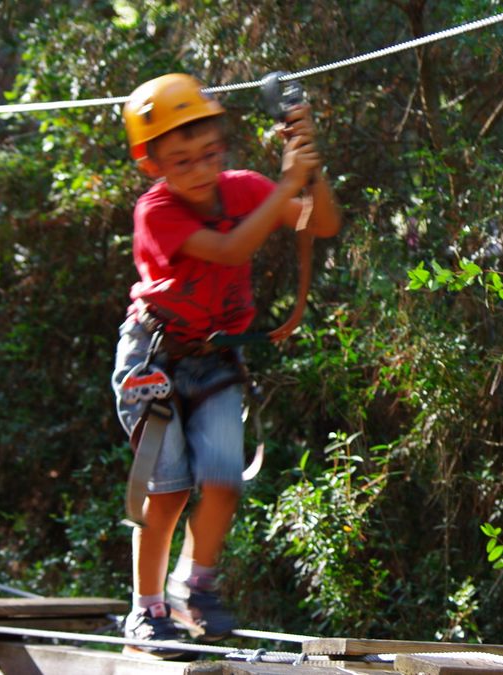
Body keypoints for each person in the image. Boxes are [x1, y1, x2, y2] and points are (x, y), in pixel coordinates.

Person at [111, 73, 339, 658]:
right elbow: (230, 249)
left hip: (215, 358)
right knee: (167, 491)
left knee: (223, 480)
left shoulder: (243, 190)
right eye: (181, 160)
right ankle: (145, 609)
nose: (199, 168)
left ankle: (194, 584)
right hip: (155, 359)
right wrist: (285, 184)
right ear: (152, 164)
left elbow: (321, 223)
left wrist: (308, 164)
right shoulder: (155, 211)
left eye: (210, 153)